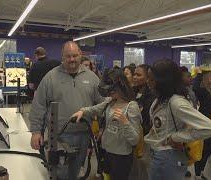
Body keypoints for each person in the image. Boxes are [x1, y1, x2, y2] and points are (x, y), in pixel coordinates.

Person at [29, 41, 103, 180]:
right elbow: (39, 105)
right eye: (68, 56)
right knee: (60, 173)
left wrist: (101, 127)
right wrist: (36, 131)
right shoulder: (51, 77)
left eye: (75, 55)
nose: (72, 59)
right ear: (62, 57)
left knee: (76, 171)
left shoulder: (92, 78)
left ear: (81, 55)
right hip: (60, 135)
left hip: (84, 135)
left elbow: (101, 104)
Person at [144, 59, 211, 180]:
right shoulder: (161, 98)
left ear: (163, 81)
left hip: (168, 156)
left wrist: (177, 137)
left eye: (152, 79)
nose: (148, 82)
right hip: (157, 153)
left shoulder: (176, 102)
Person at [72, 68, 142, 180]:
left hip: (122, 157)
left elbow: (134, 139)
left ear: (121, 87)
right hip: (107, 152)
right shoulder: (110, 102)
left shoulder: (131, 107)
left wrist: (124, 122)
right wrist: (82, 111)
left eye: (112, 91)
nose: (110, 94)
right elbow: (94, 109)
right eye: (109, 92)